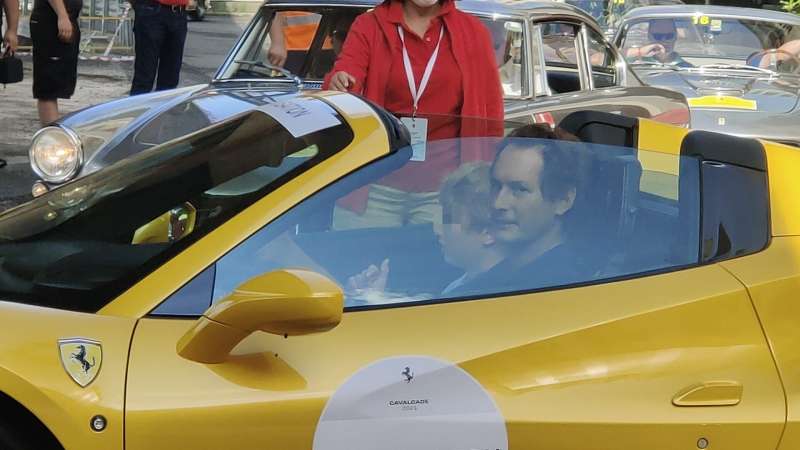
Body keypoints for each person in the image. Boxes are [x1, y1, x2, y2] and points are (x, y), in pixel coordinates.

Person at [324, 0, 504, 227]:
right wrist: (340, 79)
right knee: (359, 261)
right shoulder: (369, 25)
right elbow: (347, 68)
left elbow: (492, 109)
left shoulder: (473, 31)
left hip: (445, 192)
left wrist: (488, 175)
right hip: (373, 188)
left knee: (432, 262)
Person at [451, 124, 590, 295]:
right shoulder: (501, 277)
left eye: (519, 189)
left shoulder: (564, 290)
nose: (498, 203)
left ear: (564, 200)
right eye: (496, 185)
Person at [346, 162, 508, 298]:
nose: (438, 230)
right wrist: (377, 297)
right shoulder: (465, 284)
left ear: (488, 233)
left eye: (449, 219)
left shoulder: (484, 296)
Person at [30, 0, 81, 125]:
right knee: (48, 89)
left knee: (57, 86)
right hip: (52, 21)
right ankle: (50, 139)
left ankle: (52, 134)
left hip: (65, 19)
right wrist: (62, 16)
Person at [129, 0, 188, 95]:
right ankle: (138, 108)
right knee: (145, 77)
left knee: (170, 79)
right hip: (151, 10)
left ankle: (164, 109)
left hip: (179, 12)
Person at [626, 18, 692, 68]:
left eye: (669, 36)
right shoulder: (633, 63)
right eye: (658, 36)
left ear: (675, 36)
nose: (664, 40)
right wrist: (639, 51)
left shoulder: (687, 68)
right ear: (649, 36)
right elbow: (616, 55)